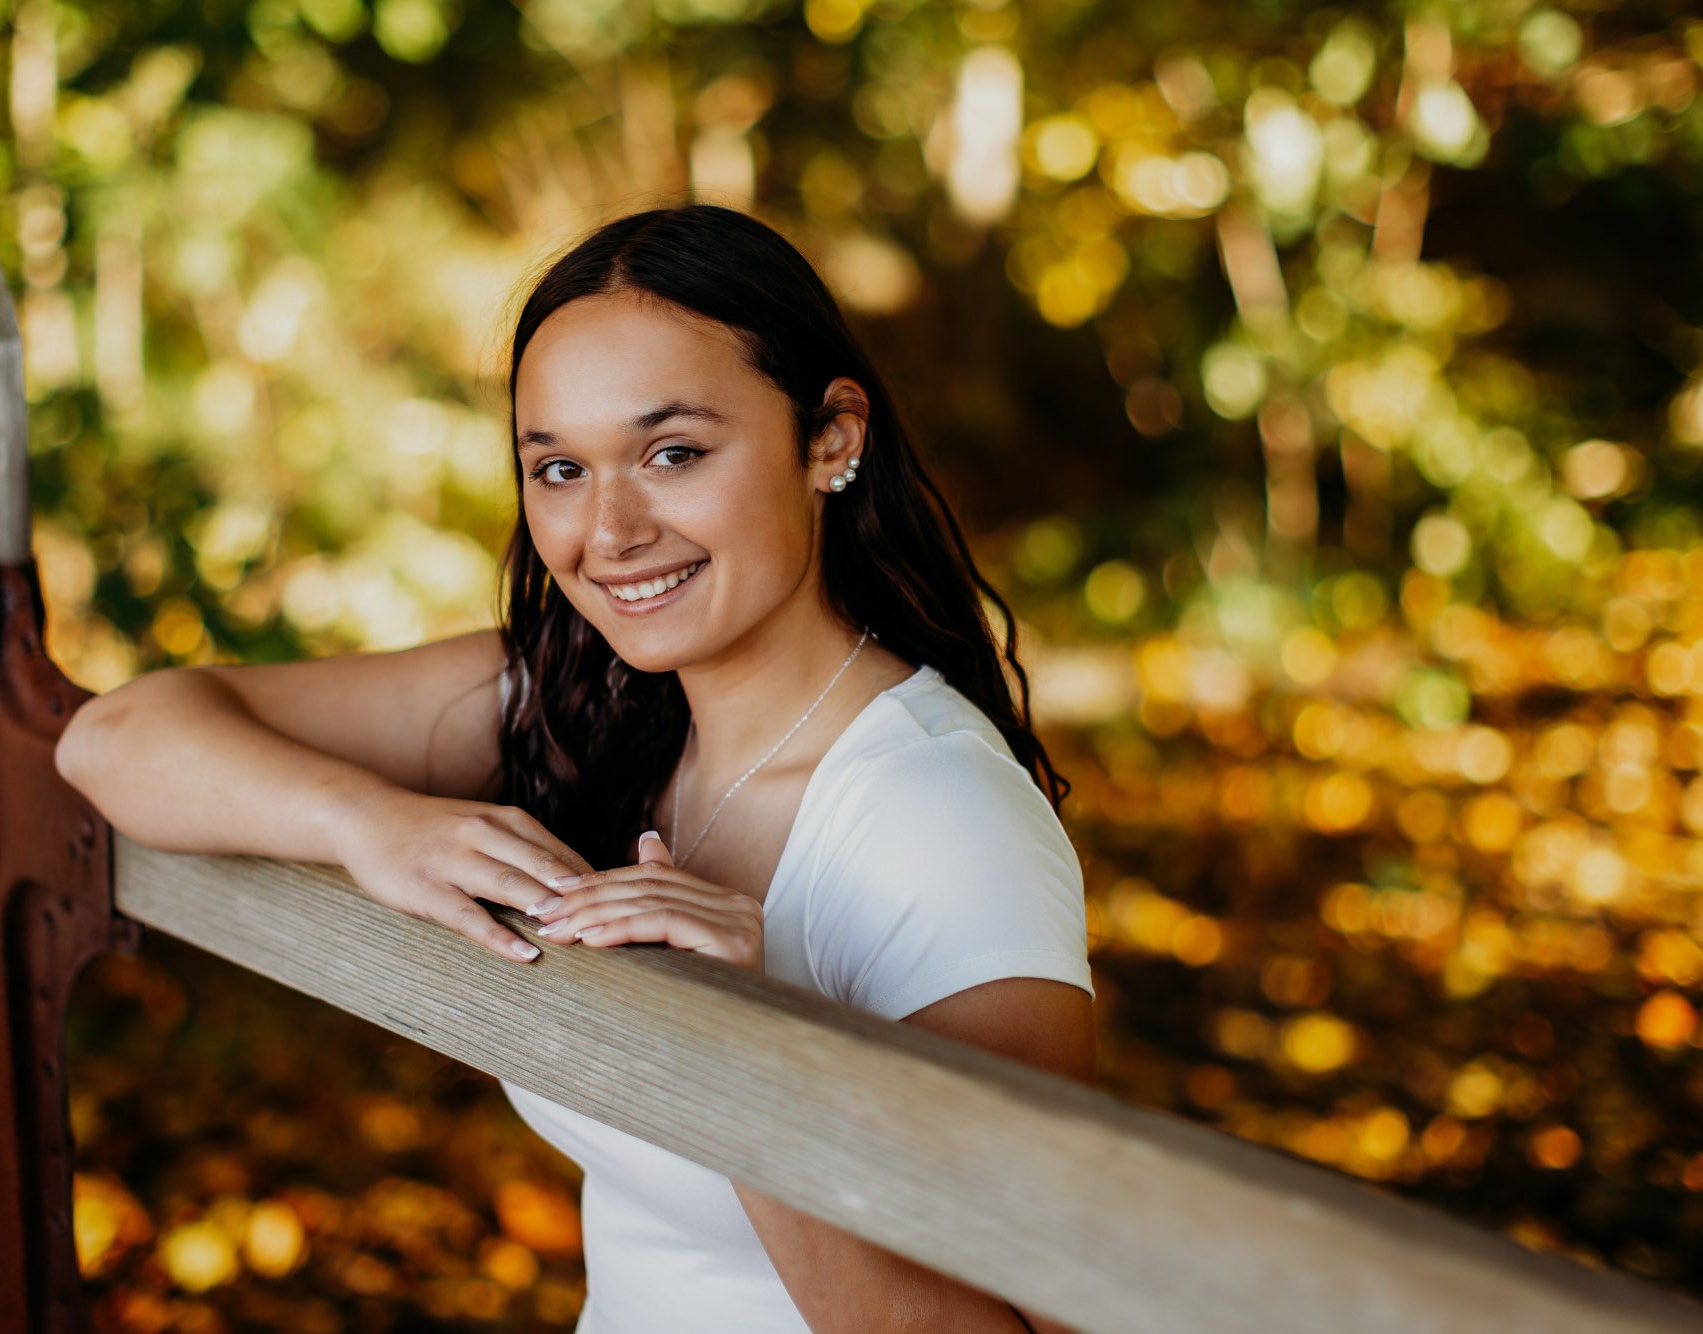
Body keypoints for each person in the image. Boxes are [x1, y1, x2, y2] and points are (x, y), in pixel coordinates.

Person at [55, 202, 1095, 1333]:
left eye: (672, 453)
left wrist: (751, 1046)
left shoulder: (940, 818)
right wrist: (372, 823)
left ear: (831, 437)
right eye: (557, 467)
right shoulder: (579, 700)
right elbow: (113, 738)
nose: (607, 531)